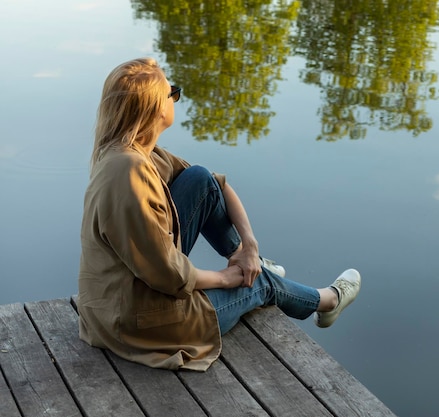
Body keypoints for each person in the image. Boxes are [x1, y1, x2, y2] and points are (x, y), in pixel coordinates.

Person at [77, 57, 361, 371]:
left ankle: (251, 262)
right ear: (159, 109)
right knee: (259, 286)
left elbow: (215, 186)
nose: (175, 97)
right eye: (173, 92)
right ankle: (328, 301)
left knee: (199, 179)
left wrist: (248, 247)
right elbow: (169, 274)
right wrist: (226, 279)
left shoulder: (132, 151)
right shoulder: (130, 172)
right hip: (140, 325)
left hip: (118, 302)